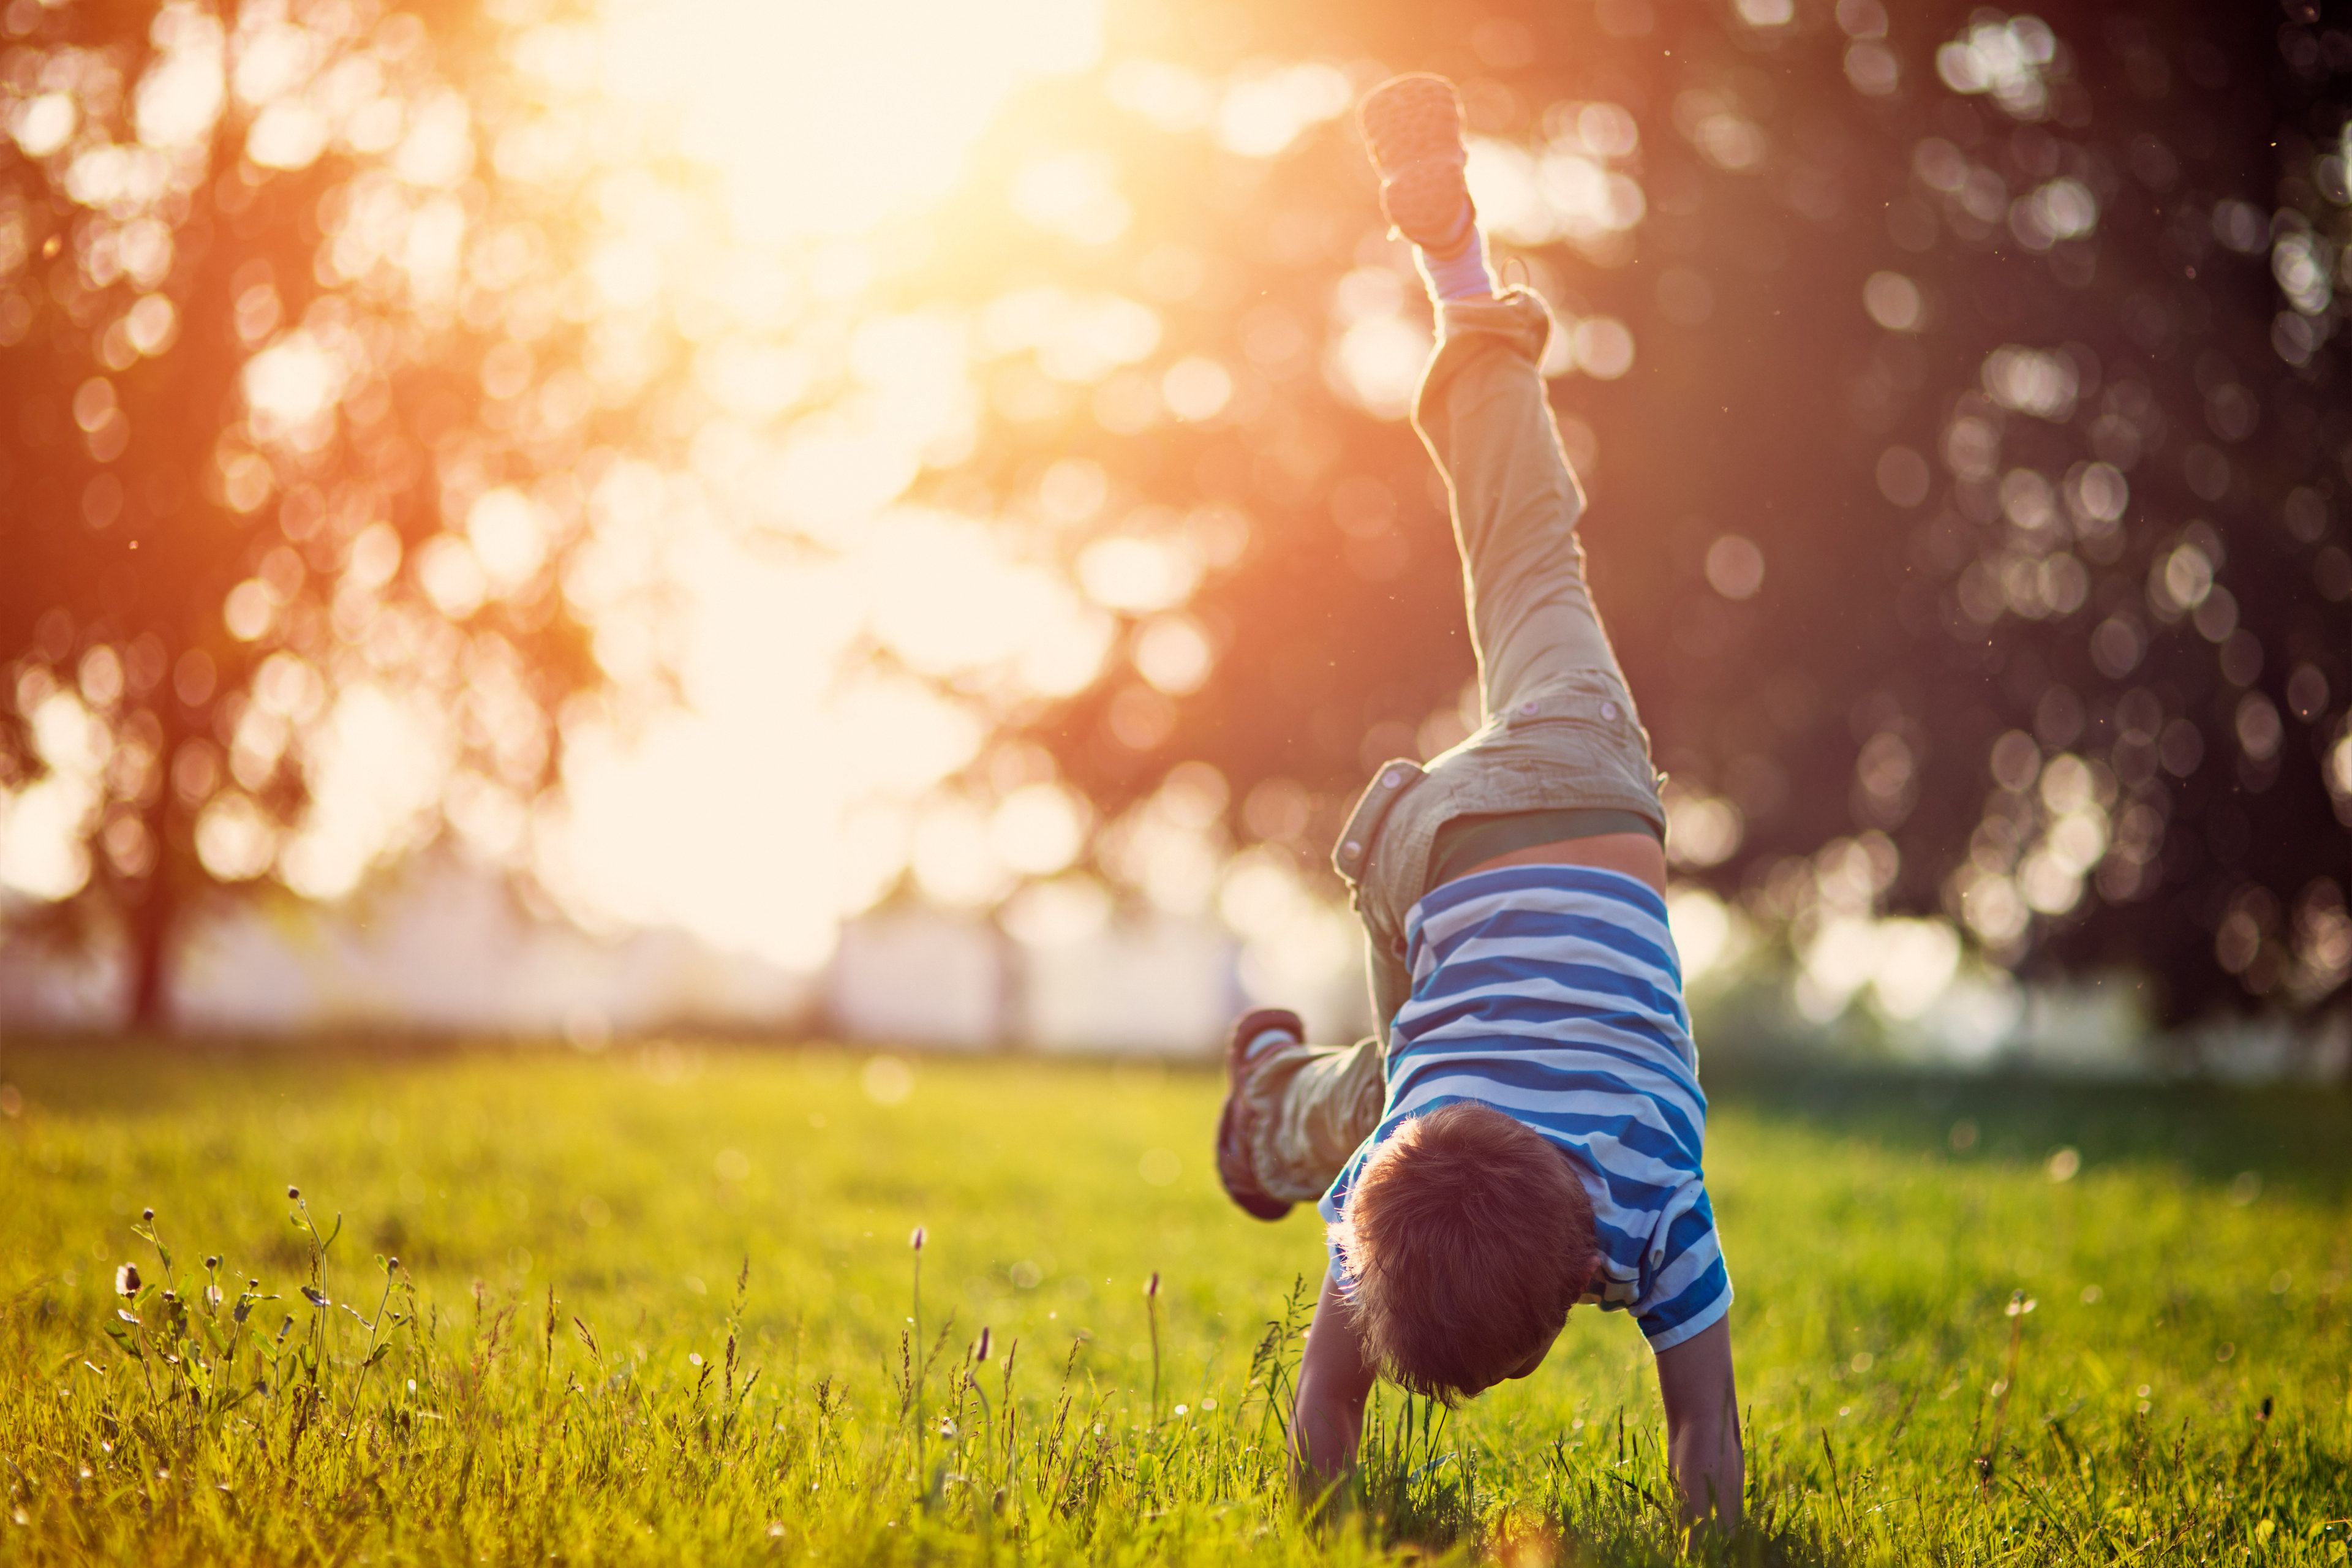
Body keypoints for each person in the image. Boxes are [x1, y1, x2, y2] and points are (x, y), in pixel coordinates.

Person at [1212, 74, 1744, 1532]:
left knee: (1532, 552)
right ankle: (1263, 1124)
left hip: (1584, 790)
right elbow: (1330, 1406)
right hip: (1423, 846)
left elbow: (1708, 1433)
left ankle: (1460, 267)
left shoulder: (1653, 1198)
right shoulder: (1411, 1168)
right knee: (1396, 1070)